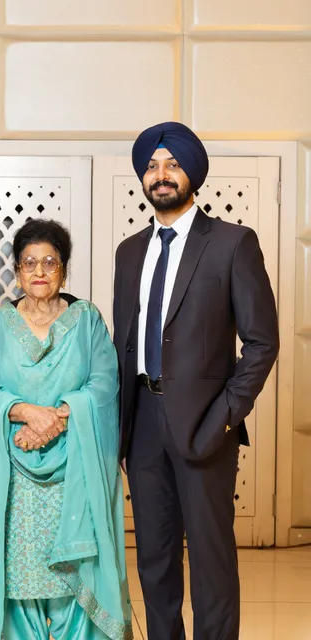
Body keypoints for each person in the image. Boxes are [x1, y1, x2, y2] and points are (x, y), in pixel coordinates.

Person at [113, 121, 279, 640]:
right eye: (151, 166)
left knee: (211, 560)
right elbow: (125, 342)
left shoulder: (232, 243)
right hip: (142, 424)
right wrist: (121, 428)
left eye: (173, 164)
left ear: (192, 174)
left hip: (206, 424)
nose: (161, 175)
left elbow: (262, 342)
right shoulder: (129, 251)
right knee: (154, 559)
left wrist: (224, 417)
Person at [0, 219, 132, 640]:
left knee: (73, 580)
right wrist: (22, 411)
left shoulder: (86, 319)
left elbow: (104, 383)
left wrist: (55, 418)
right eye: (29, 263)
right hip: (14, 471)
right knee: (19, 575)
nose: (39, 271)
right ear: (16, 271)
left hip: (75, 465)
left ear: (64, 269)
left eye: (50, 262)